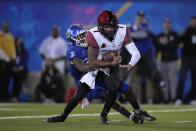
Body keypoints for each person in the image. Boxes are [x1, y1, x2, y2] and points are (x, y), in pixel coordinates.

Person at [47, 10, 153, 124]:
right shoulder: (74, 50)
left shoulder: (92, 44)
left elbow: (108, 53)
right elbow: (82, 68)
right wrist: (105, 63)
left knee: (125, 88)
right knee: (83, 96)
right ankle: (63, 116)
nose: (85, 37)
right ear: (73, 38)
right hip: (88, 77)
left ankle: (137, 110)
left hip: (101, 72)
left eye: (85, 34)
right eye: (81, 35)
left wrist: (113, 59)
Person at [129, 11, 166, 103]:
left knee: (150, 71)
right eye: (139, 16)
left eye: (142, 17)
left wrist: (130, 34)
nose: (140, 18)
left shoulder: (145, 26)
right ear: (136, 17)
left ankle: (151, 96)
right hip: (137, 53)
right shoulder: (131, 26)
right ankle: (138, 98)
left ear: (143, 18)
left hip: (146, 52)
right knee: (136, 76)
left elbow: (143, 35)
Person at [156, 18, 179, 103]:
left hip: (173, 60)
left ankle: (173, 98)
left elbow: (175, 46)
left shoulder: (175, 34)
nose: (167, 25)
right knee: (164, 81)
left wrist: (166, 42)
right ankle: (166, 99)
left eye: (168, 23)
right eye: (165, 23)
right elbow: (158, 48)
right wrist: (164, 44)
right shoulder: (160, 35)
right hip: (163, 61)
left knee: (173, 80)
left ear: (170, 25)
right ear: (163, 25)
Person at [175, 16, 196, 105]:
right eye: (191, 21)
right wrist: (181, 35)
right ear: (189, 22)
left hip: (195, 58)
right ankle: (179, 98)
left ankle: (193, 99)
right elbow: (178, 42)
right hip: (185, 58)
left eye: (194, 21)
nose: (192, 22)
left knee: (194, 79)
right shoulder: (186, 31)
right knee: (182, 78)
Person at [0, 22, 15, 101]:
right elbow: (0, 50)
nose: (6, 28)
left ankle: (4, 96)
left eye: (7, 26)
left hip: (10, 61)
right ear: (2, 27)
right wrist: (7, 59)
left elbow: (13, 48)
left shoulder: (10, 37)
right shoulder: (0, 35)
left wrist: (13, 58)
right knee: (2, 79)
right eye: (4, 26)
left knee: (7, 80)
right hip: (3, 61)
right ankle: (1, 96)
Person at [11, 38, 28, 102]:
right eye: (18, 41)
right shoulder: (14, 51)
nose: (19, 42)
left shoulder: (25, 52)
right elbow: (12, 60)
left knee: (19, 82)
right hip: (14, 70)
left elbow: (26, 61)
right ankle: (13, 96)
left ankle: (17, 96)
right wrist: (14, 67)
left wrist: (21, 67)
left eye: (21, 41)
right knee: (15, 82)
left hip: (22, 70)